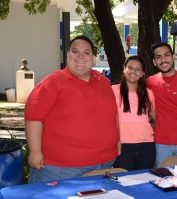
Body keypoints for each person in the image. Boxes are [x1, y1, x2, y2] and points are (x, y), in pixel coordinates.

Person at [25, 35, 119, 183]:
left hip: (104, 164)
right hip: (59, 169)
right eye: (75, 51)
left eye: (86, 52)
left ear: (93, 58)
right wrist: (35, 152)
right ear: (67, 54)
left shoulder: (104, 82)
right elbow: (33, 118)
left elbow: (113, 115)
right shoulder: (52, 82)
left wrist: (117, 141)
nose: (80, 56)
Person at [112, 55, 156, 171]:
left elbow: (156, 117)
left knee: (144, 182)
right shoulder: (113, 90)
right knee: (124, 184)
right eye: (130, 68)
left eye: (138, 69)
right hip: (123, 146)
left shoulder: (148, 93)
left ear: (142, 73)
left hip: (147, 146)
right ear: (124, 69)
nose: (133, 72)